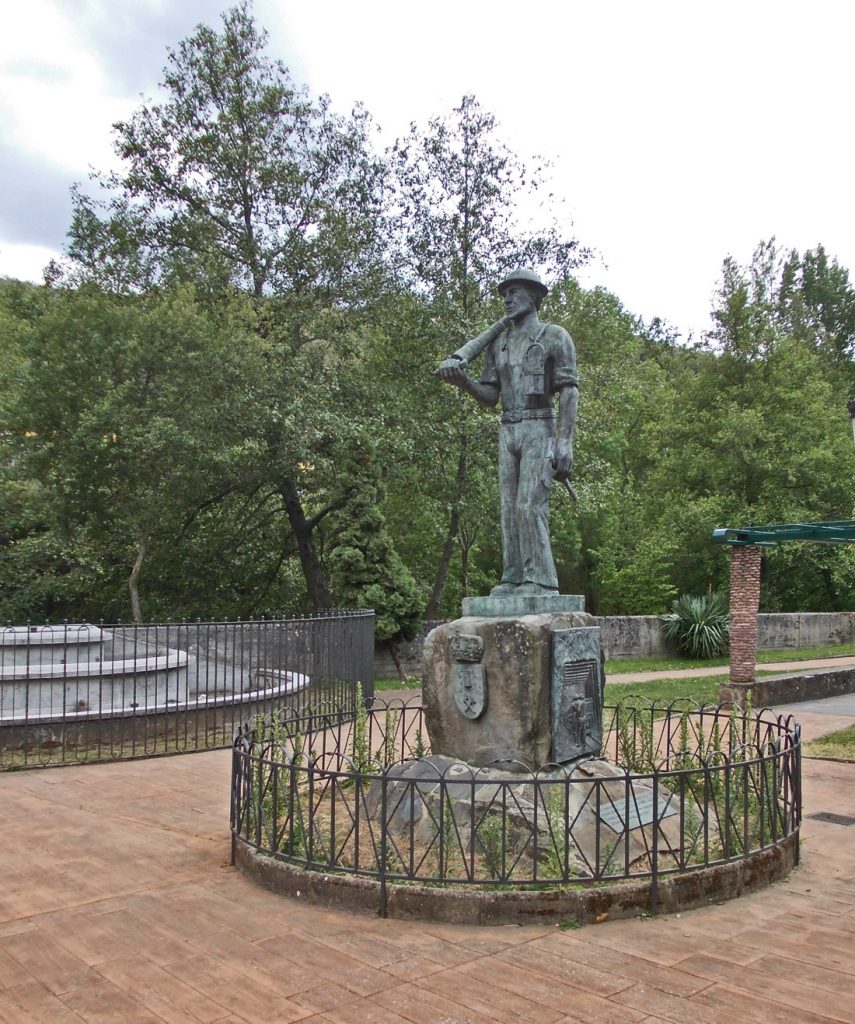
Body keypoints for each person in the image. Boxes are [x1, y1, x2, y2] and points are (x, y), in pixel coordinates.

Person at [437, 269, 578, 596]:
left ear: (534, 296)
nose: (508, 299)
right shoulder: (498, 344)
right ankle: (513, 576)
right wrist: (464, 382)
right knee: (508, 508)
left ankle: (540, 581)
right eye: (504, 294)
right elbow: (489, 396)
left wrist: (565, 442)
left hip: (538, 426)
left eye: (514, 292)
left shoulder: (555, 336)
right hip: (508, 429)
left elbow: (569, 390)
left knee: (529, 505)